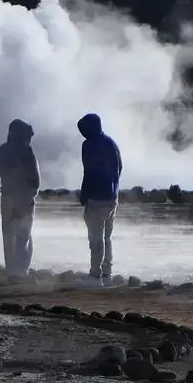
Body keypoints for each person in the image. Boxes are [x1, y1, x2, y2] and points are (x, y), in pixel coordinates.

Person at [78, 113, 122, 285]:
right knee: (107, 237)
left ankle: (95, 274)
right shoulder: (111, 143)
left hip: (96, 197)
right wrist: (114, 185)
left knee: (95, 238)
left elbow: (88, 172)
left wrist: (84, 193)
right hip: (112, 197)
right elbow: (120, 167)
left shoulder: (88, 145)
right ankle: (107, 273)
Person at [0, 119, 39, 280]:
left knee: (8, 234)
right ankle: (21, 272)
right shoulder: (26, 150)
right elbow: (33, 175)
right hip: (23, 197)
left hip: (7, 196)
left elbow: (2, 172)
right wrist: (33, 189)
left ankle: (11, 271)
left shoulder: (3, 149)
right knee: (23, 234)